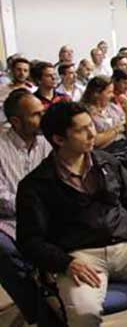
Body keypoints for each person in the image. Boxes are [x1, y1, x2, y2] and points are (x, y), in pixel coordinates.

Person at [16, 101, 127, 327]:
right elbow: (30, 240)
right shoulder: (36, 185)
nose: (93, 133)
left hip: (126, 246)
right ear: (59, 139)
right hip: (80, 257)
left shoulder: (107, 162)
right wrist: (66, 263)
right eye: (82, 130)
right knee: (84, 314)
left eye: (91, 125)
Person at [0, 89, 52, 324]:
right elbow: (2, 198)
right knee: (5, 252)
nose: (44, 119)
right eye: (37, 115)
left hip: (51, 213)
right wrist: (35, 208)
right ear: (15, 122)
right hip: (11, 219)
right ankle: (39, 314)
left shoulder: (47, 142)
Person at [80, 76, 127, 150]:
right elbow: (95, 142)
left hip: (125, 145)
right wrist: (117, 130)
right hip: (106, 153)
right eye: (109, 92)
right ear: (96, 94)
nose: (112, 95)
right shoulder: (85, 113)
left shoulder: (113, 107)